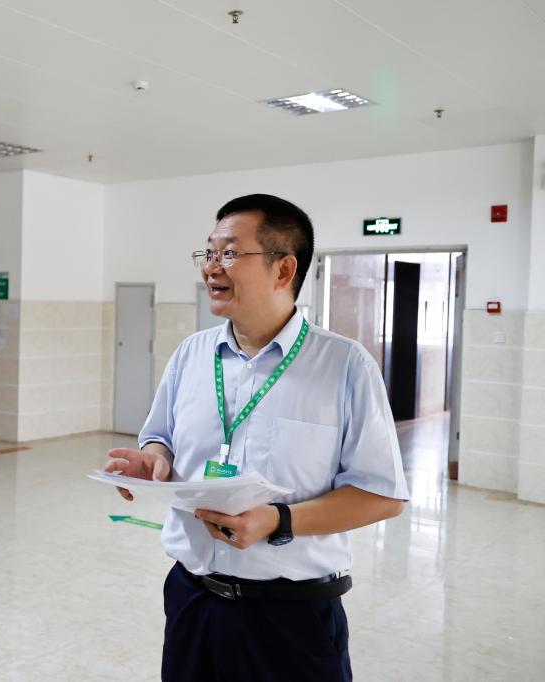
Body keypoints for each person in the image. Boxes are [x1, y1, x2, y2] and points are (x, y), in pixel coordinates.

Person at [104, 194, 408, 681]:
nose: (211, 267)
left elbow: (382, 496)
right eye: (208, 252)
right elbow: (159, 436)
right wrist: (152, 459)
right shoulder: (191, 354)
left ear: (283, 269)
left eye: (229, 253)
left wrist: (278, 520)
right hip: (192, 600)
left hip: (292, 618)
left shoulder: (344, 366)